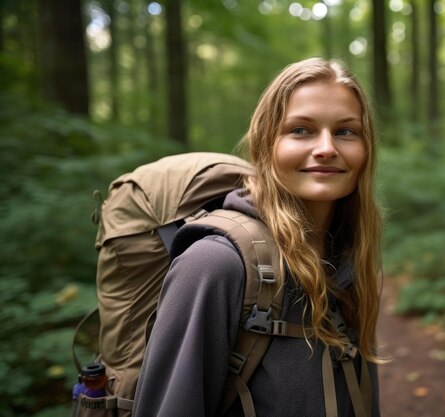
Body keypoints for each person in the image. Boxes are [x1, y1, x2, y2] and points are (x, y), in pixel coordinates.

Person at [132, 57, 384, 417]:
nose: (327, 147)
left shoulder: (350, 259)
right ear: (267, 144)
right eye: (301, 130)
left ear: (365, 149)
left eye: (346, 131)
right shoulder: (214, 265)